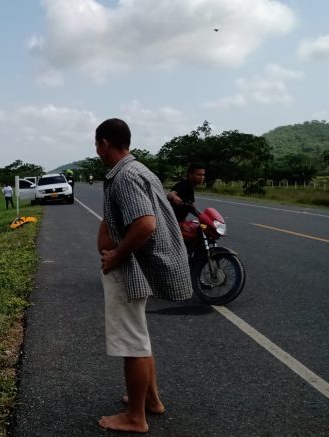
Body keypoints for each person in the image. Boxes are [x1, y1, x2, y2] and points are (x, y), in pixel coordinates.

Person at [94, 118, 192, 433]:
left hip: (130, 268)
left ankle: (136, 417)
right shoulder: (140, 169)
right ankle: (151, 400)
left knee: (131, 343)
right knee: (140, 337)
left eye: (97, 145)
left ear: (104, 144)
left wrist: (116, 255)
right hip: (136, 266)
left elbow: (146, 224)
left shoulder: (124, 176)